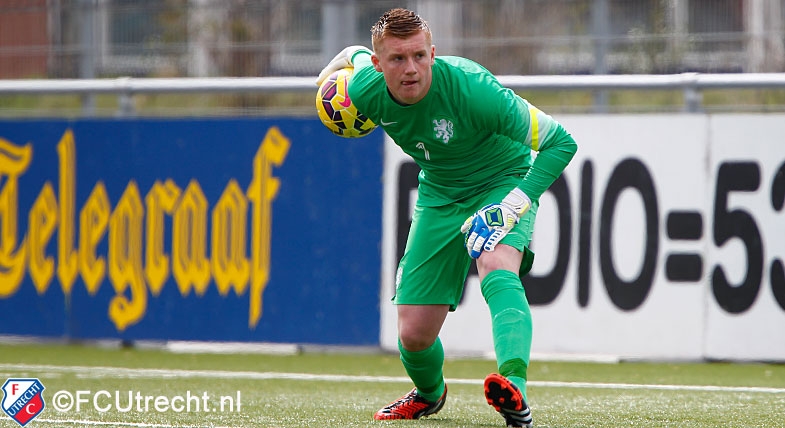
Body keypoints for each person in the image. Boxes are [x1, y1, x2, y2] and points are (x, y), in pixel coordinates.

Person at [316, 8, 577, 428]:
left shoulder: (474, 90)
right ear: (380, 65)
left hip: (500, 181)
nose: (411, 69)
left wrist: (512, 205)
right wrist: (346, 58)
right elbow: (357, 57)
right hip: (438, 193)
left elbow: (561, 143)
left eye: (420, 56)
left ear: (433, 53)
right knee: (413, 335)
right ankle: (429, 395)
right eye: (397, 59)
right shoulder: (366, 88)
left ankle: (515, 391)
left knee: (495, 263)